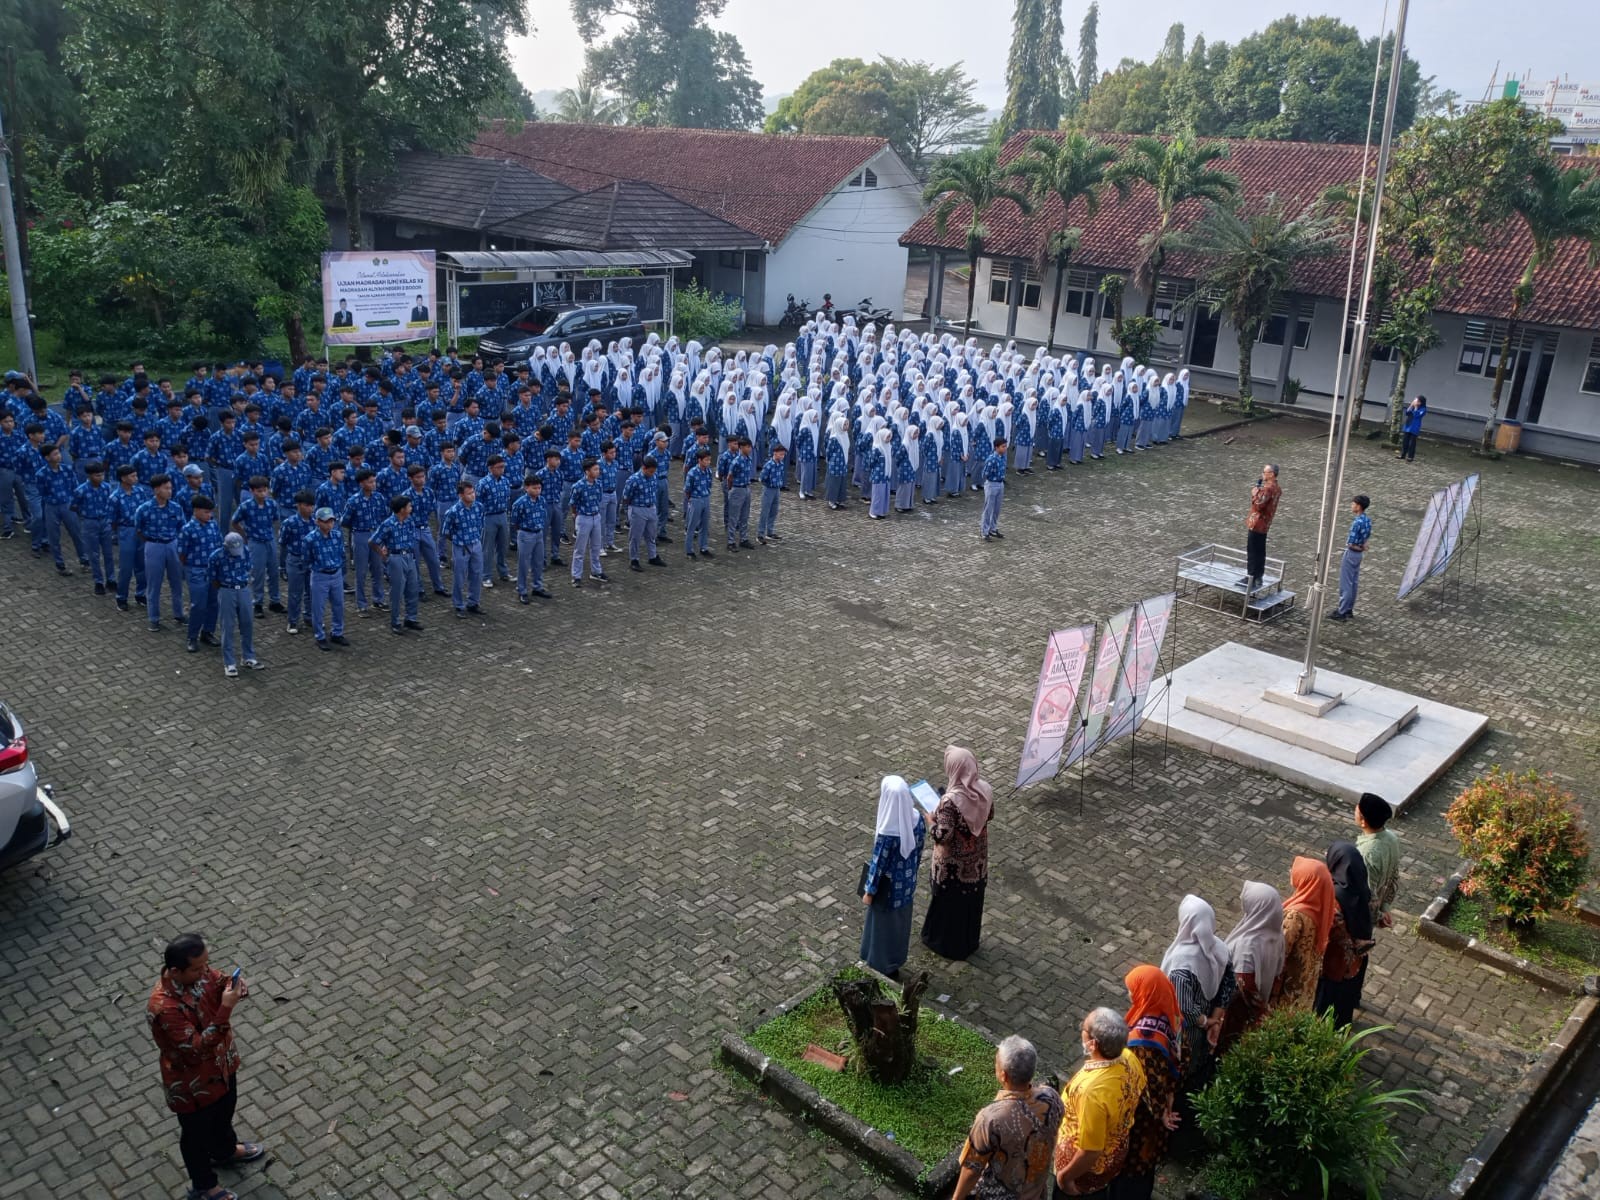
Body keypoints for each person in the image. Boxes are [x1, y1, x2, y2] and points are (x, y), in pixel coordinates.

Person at [147, 933, 265, 1200]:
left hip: (222, 1066)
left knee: (224, 1111)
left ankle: (223, 1151)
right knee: (195, 1137)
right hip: (193, 1085)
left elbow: (217, 979)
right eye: (198, 968)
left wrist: (234, 984)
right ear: (175, 971)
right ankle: (204, 1186)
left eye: (205, 965)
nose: (205, 972)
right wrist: (226, 1008)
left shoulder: (199, 975)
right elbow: (197, 1048)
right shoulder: (164, 1007)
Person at [951, 1035, 1063, 1200]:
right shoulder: (1051, 1097)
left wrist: (956, 1198)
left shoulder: (991, 1119)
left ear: (1003, 1075)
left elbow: (972, 1169)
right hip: (1036, 1193)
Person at [1055, 1008, 1146, 1198]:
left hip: (1084, 1172)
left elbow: (1090, 1151)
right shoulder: (1130, 1058)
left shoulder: (1091, 1093)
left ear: (1093, 1044)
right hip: (1115, 1155)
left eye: (1084, 1029)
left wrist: (1065, 1178)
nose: (1081, 1031)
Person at [1115, 968, 1184, 1200]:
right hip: (1158, 1114)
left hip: (1141, 1121)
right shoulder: (1167, 1017)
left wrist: (1162, 1109)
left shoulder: (1143, 1040)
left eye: (1132, 991)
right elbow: (1179, 1061)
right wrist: (1170, 1096)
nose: (1130, 995)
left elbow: (1150, 1085)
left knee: (1132, 1174)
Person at [920, 745, 993, 961]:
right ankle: (968, 942)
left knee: (948, 907)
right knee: (970, 905)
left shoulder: (950, 802)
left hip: (953, 869)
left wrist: (931, 821)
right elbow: (990, 815)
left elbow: (942, 836)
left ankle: (944, 944)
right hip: (977, 863)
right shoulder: (985, 790)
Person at [1160, 894, 1235, 1091]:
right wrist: (1216, 1019)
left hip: (1189, 1033)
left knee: (1185, 1071)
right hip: (1211, 1021)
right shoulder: (1219, 947)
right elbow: (1229, 982)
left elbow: (1184, 1008)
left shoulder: (1181, 965)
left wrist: (1206, 1022)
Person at [859, 774, 926, 979]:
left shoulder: (888, 832)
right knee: (900, 925)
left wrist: (869, 891)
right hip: (906, 886)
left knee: (882, 928)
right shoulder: (917, 820)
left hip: (886, 891)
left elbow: (878, 866)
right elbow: (919, 849)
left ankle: (880, 966)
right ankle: (896, 961)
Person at [1218, 881, 1285, 1049]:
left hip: (1237, 1012)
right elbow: (1278, 973)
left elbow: (1244, 985)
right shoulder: (1277, 935)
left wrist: (1261, 1013)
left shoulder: (1247, 946)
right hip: (1264, 998)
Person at [1316, 842, 1375, 1027]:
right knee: (1344, 1004)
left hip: (1333, 963)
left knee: (1325, 1005)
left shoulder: (1335, 896)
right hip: (1355, 963)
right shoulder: (1365, 891)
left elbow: (1330, 931)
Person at [1276, 856, 1336, 1012]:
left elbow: (1280, 952)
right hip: (1305, 989)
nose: (1291, 872)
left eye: (1296, 872)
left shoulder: (1295, 916)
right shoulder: (1323, 907)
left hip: (1285, 991)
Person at [208, 532, 263, 677]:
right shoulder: (216, 557)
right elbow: (213, 579)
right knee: (227, 626)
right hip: (227, 591)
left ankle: (248, 657)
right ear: (225, 546)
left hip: (244, 589)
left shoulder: (245, 550)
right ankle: (229, 663)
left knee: (247, 623)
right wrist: (226, 588)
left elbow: (248, 568)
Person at [372, 494, 423, 635]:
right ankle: (395, 621)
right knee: (397, 591)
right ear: (401, 509)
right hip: (396, 557)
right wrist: (383, 555)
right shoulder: (388, 524)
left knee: (413, 588)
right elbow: (373, 541)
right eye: (409, 506)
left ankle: (411, 618)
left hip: (409, 556)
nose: (411, 508)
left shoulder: (409, 521)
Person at [303, 506, 350, 650]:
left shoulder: (337, 535)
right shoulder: (310, 539)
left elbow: (342, 554)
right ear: (317, 521)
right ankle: (320, 636)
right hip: (320, 576)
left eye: (331, 521)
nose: (329, 524)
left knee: (339, 605)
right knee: (318, 608)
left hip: (335, 574)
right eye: (326, 521)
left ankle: (337, 632)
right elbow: (306, 559)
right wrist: (317, 568)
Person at [440, 479, 486, 613]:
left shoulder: (479, 507)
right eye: (469, 493)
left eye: (473, 492)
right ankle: (459, 605)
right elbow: (446, 532)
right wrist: (459, 540)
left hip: (476, 544)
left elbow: (481, 524)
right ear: (461, 495)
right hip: (461, 546)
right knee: (460, 576)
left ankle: (473, 603)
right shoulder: (453, 512)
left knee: (477, 575)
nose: (473, 495)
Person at [1355, 793, 1399, 931]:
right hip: (1377, 908)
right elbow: (1394, 876)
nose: (1355, 809)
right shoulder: (1391, 838)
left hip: (1360, 917)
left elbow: (1368, 896)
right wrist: (1385, 907)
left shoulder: (1366, 853)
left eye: (1357, 809)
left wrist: (1379, 917)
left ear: (1363, 821)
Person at [1328, 495, 1371, 621]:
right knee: (1353, 583)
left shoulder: (1356, 523)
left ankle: (1342, 611)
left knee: (1345, 583)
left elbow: (1351, 544)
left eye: (1353, 504)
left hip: (1352, 553)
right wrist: (1363, 546)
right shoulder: (1367, 520)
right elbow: (1367, 538)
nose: (1351, 506)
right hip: (1358, 556)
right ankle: (1348, 609)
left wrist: (1360, 547)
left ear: (1358, 506)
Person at [510, 474, 552, 601]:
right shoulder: (520, 503)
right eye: (534, 488)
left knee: (538, 562)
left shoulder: (542, 500)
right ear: (526, 488)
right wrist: (521, 532)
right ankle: (522, 590)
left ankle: (537, 587)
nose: (537, 491)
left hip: (538, 533)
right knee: (524, 563)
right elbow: (514, 521)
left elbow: (544, 515)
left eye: (539, 488)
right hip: (525, 534)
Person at [1242, 463, 1280, 595]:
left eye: (1265, 472)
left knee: (1253, 551)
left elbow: (1259, 505)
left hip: (1257, 523)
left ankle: (1251, 577)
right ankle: (1258, 576)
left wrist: (1254, 493)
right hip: (1265, 524)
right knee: (1260, 551)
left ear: (1272, 474)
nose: (1262, 474)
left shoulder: (1268, 488)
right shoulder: (1277, 488)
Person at [622, 455, 666, 571]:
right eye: (650, 471)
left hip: (651, 508)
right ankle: (634, 559)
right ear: (644, 468)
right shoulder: (633, 480)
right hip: (638, 509)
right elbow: (626, 497)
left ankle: (652, 556)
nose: (652, 473)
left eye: (654, 471)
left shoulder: (654, 476)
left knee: (651, 535)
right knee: (635, 537)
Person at [756, 443, 786, 544]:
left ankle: (770, 531)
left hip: (777, 489)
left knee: (774, 511)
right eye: (780, 454)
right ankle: (760, 534)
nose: (782, 456)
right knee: (765, 511)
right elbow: (762, 477)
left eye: (783, 455)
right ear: (775, 453)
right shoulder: (769, 465)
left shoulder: (781, 464)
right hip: (768, 489)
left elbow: (781, 475)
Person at [981, 435, 1008, 540]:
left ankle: (993, 528)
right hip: (992, 484)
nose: (1005, 448)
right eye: (1003, 446)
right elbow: (985, 473)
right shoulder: (992, 459)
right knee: (988, 509)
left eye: (1005, 446)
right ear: (996, 447)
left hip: (1000, 484)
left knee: (997, 509)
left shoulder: (1002, 457)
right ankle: (984, 531)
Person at [1398, 395, 1426, 461]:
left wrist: (1416, 407)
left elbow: (1417, 415)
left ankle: (1410, 456)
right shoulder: (1413, 407)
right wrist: (1411, 405)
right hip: (1408, 425)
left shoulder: (1423, 409)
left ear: (1421, 402)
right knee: (1405, 441)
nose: (1416, 402)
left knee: (1412, 443)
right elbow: (1407, 413)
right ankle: (1403, 454)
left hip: (1414, 427)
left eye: (1418, 401)